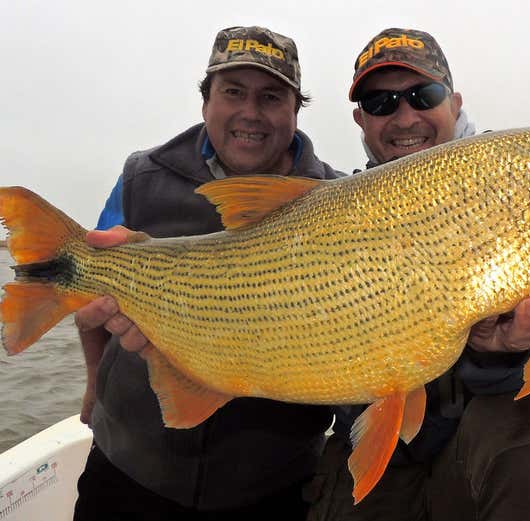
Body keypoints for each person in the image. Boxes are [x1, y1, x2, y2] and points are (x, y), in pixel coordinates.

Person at [302, 28, 530, 521]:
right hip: (381, 439)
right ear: (361, 120)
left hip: (491, 431)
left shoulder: (515, 184)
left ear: (454, 102)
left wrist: (502, 354)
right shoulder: (338, 212)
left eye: (423, 96)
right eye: (381, 104)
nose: (405, 117)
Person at [72, 26, 341, 520]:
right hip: (131, 467)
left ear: (295, 110)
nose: (250, 113)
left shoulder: (341, 201)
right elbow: (87, 291)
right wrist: (93, 383)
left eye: (271, 97)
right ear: (205, 101)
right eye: (232, 92)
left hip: (271, 483)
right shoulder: (141, 178)